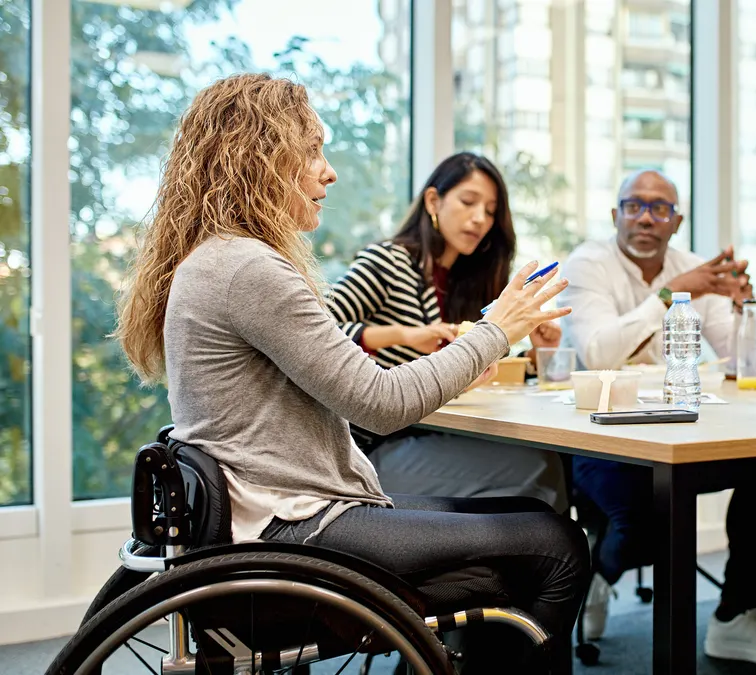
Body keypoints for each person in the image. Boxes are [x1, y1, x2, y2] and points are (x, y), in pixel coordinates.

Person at [113, 73, 589, 673]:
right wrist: (497, 331)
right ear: (258, 157)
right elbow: (381, 403)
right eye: (312, 150)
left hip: (279, 512)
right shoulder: (246, 269)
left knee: (532, 515)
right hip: (292, 527)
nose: (328, 171)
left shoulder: (218, 260)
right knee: (556, 546)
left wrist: (489, 334)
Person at [559, 169, 756, 667]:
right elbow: (595, 352)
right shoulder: (589, 264)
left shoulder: (696, 268)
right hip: (603, 436)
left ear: (677, 221)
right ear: (615, 215)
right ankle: (596, 576)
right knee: (643, 525)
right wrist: (670, 295)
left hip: (684, 426)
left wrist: (744, 310)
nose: (646, 217)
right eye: (634, 205)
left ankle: (737, 617)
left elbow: (741, 364)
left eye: (660, 208)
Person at [327, 152, 567, 513]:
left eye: (490, 211)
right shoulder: (388, 261)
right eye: (469, 202)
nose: (479, 219)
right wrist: (405, 335)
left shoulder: (471, 282)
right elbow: (318, 331)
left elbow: (489, 368)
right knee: (538, 470)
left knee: (546, 460)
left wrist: (537, 353)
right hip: (368, 447)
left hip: (437, 433)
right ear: (434, 201)